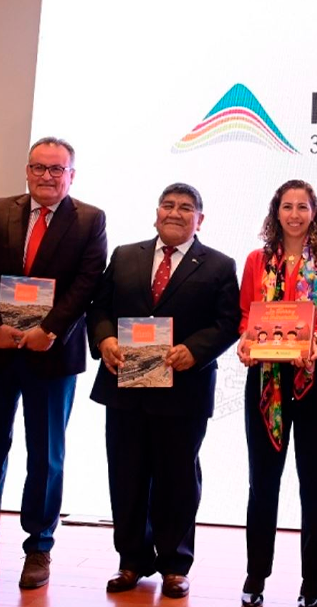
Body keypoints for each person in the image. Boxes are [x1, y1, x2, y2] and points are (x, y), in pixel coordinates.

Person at [0, 136, 107, 590]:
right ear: (27, 171)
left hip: (52, 353)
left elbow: (88, 282)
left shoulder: (90, 219)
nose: (46, 176)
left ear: (72, 175)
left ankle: (39, 547)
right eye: (38, 167)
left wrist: (48, 330)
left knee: (46, 456)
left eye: (56, 169)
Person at [88, 183, 241, 598]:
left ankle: (175, 564)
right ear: (156, 212)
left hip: (183, 389)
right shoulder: (125, 255)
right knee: (127, 476)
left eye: (186, 207)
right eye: (168, 205)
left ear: (199, 219)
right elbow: (99, 308)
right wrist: (105, 339)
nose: (175, 212)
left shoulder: (219, 265)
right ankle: (131, 561)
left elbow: (228, 322)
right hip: (126, 385)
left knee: (178, 479)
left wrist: (196, 350)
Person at [236, 179, 317, 607]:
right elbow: (245, 314)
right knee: (262, 481)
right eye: (287, 206)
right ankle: (256, 574)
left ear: (314, 212)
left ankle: (313, 579)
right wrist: (246, 340)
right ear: (276, 211)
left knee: (315, 481)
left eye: (302, 207)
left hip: (316, 376)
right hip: (267, 380)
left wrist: (316, 339)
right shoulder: (257, 261)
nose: (294, 215)